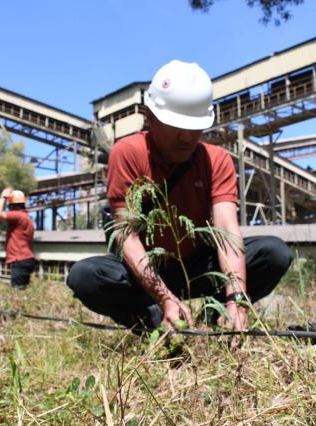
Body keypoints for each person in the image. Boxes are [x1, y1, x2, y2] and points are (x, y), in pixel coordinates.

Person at [66, 60, 292, 332]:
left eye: (195, 127)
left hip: (198, 264)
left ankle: (216, 319)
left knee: (273, 253)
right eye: (176, 126)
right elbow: (126, 234)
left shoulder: (216, 159)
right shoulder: (127, 153)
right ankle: (156, 321)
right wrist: (163, 296)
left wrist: (236, 299)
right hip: (146, 268)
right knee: (86, 276)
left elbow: (226, 230)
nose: (187, 138)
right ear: (150, 117)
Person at [0, 188, 36, 289]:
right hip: (26, 259)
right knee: (23, 291)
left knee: (17, 293)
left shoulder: (18, 215)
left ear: (11, 205)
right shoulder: (26, 217)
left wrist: (3, 196)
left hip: (20, 260)